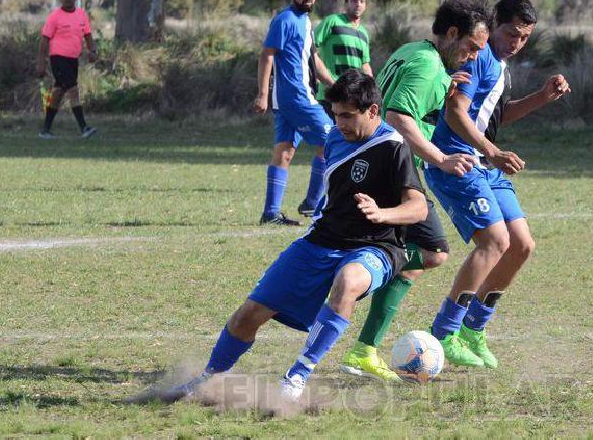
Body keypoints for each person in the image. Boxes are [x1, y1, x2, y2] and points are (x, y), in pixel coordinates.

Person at [164, 69, 428, 402]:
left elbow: (418, 207)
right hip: (322, 240)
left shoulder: (393, 147)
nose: (340, 123)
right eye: (336, 115)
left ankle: (297, 376)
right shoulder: (334, 138)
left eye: (348, 116)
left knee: (348, 281)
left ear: (373, 111)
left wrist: (382, 214)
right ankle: (207, 379)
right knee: (249, 314)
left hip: (378, 246)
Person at [339, 0, 489, 381]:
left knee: (422, 256)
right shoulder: (427, 65)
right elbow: (397, 116)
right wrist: (441, 159)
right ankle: (355, 283)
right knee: (433, 251)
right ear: (452, 34)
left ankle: (364, 345)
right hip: (394, 169)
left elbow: (401, 99)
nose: (472, 57)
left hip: (382, 163)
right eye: (471, 47)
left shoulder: (416, 53)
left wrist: (444, 84)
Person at [424, 0, 571, 369]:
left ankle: (474, 328)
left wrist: (540, 97)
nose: (516, 42)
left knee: (521, 246)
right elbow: (455, 114)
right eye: (510, 33)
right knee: (494, 242)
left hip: (485, 163)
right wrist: (492, 152)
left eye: (524, 38)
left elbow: (493, 117)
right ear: (493, 25)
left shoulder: (500, 66)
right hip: (457, 162)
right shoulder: (478, 57)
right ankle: (444, 334)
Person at [253, 0, 339, 226]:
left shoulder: (305, 21)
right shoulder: (285, 20)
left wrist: (334, 85)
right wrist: (262, 94)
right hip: (296, 97)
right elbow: (267, 54)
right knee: (334, 142)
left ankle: (270, 213)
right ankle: (314, 204)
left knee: (284, 152)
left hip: (291, 99)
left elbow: (312, 59)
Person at [36, 0, 99, 139]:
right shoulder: (54, 17)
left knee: (58, 92)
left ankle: (45, 131)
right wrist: (41, 62)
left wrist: (92, 51)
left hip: (73, 59)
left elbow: (88, 35)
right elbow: (44, 40)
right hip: (58, 58)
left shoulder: (81, 15)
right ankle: (84, 128)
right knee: (73, 90)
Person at [311, 0, 373, 128]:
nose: (358, 4)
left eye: (362, 1)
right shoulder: (332, 21)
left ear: (365, 5)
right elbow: (310, 46)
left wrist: (371, 88)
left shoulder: (364, 33)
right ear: (346, 3)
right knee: (328, 141)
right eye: (354, 0)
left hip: (352, 96)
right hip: (330, 94)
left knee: (349, 142)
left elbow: (365, 64)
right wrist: (321, 76)